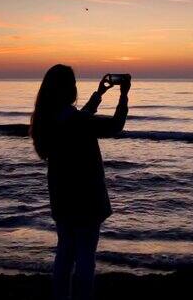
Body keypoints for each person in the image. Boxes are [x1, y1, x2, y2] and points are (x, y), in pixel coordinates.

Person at [30, 64, 130, 300]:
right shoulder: (76, 121)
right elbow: (115, 125)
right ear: (68, 89)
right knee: (86, 257)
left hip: (62, 200)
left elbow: (80, 118)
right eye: (73, 83)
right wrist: (124, 94)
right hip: (86, 201)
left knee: (65, 253)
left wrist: (99, 94)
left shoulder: (50, 119)